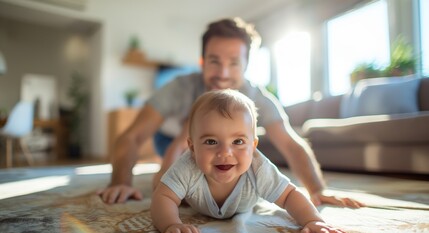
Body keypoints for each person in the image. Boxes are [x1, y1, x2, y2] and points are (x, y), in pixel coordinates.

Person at [98, 17, 363, 208]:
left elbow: (291, 145)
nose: (223, 74)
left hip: (221, 145)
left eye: (234, 63)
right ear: (202, 61)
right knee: (174, 165)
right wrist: (121, 181)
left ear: (246, 64)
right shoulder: (180, 87)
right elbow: (131, 136)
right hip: (170, 140)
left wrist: (317, 190)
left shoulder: (258, 97)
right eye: (214, 61)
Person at [151, 89, 351, 233]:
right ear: (192, 147)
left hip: (247, 202)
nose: (225, 153)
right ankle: (186, 193)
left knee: (276, 190)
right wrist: (171, 223)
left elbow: (290, 195)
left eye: (238, 142)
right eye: (211, 141)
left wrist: (312, 220)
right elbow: (163, 196)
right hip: (196, 199)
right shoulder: (188, 164)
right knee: (171, 190)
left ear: (253, 146)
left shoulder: (258, 167)